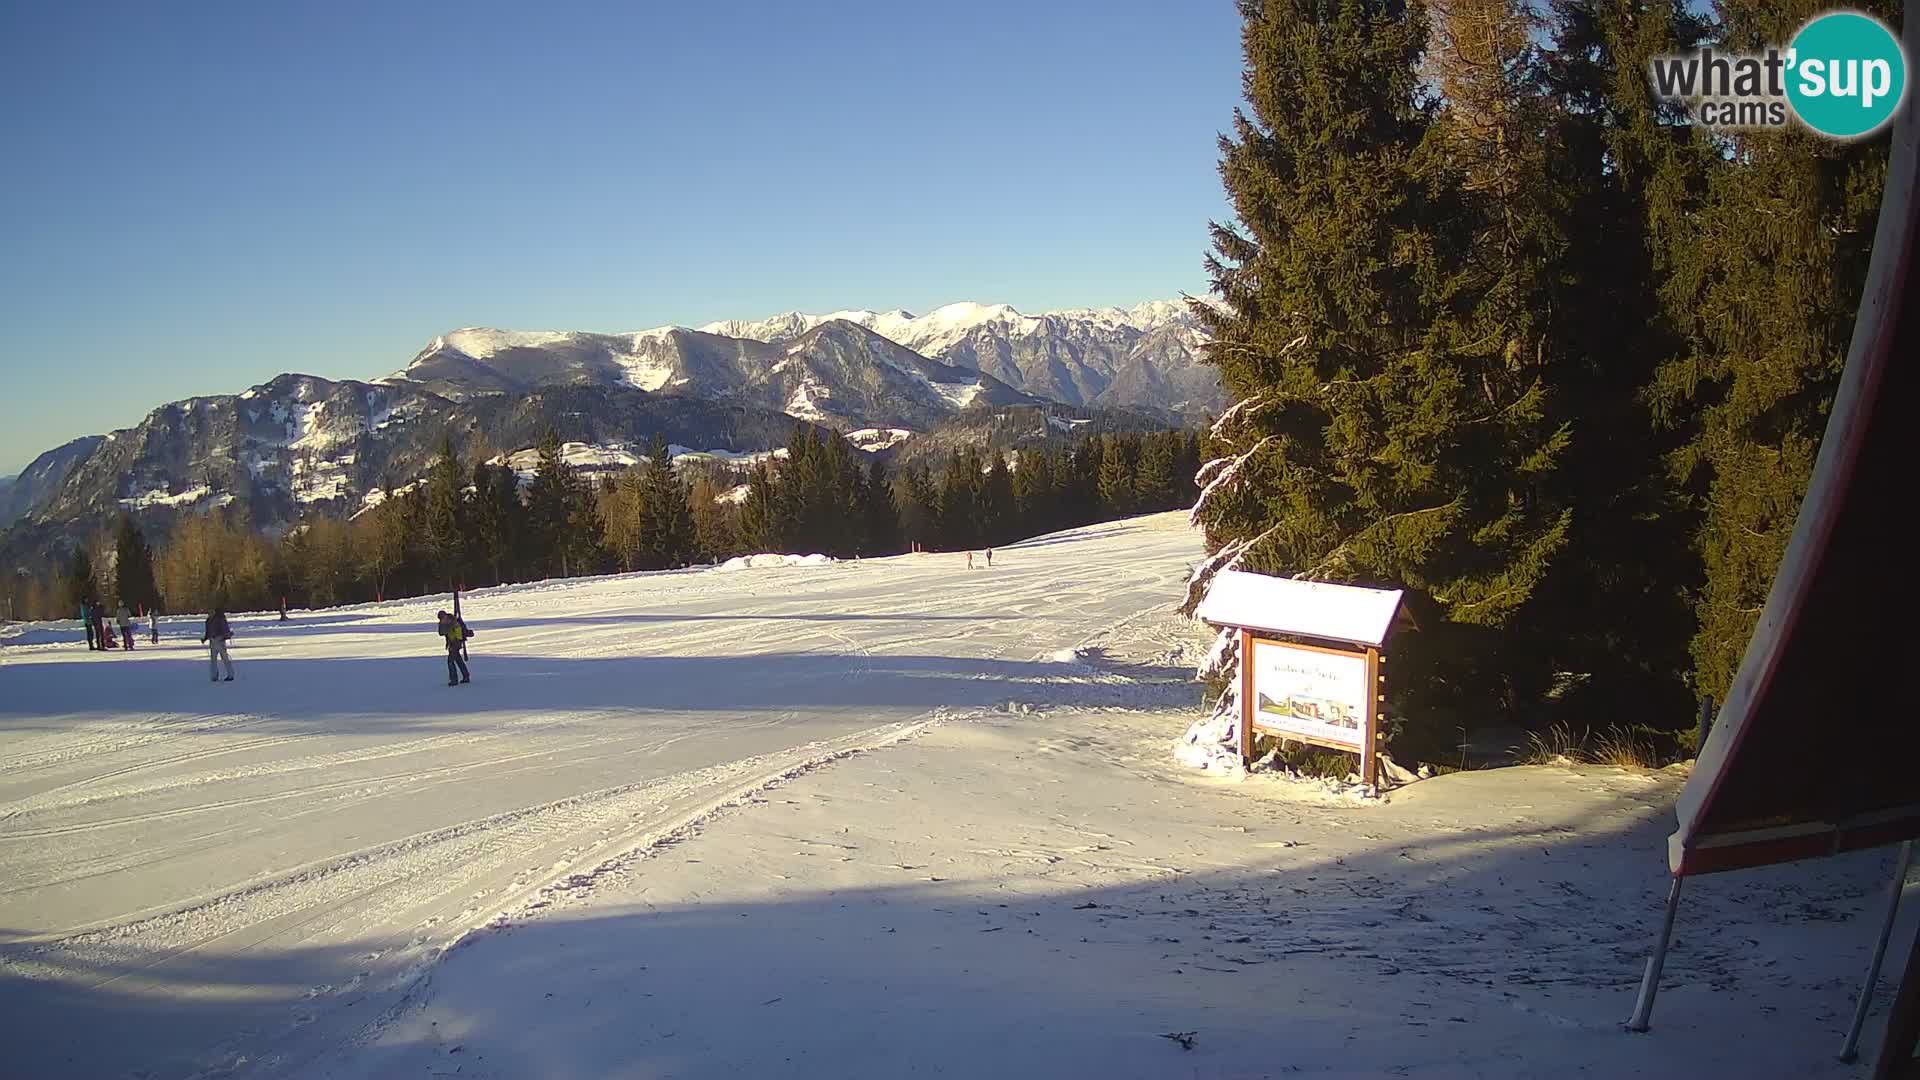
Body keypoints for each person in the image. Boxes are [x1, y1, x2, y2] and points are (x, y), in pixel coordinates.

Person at [437, 610, 473, 686]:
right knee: (458, 660)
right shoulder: (446, 622)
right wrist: (442, 624)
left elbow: (457, 633)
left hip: (456, 643)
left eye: (442, 618)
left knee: (450, 661)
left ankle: (454, 679)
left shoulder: (453, 622)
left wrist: (455, 643)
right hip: (452, 643)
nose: (442, 620)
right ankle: (466, 676)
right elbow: (441, 633)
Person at [202, 607, 235, 682]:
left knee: (225, 658)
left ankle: (230, 675)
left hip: (220, 641)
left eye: (211, 611)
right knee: (213, 660)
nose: (209, 613)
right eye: (208, 612)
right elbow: (208, 632)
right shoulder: (208, 621)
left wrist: (226, 636)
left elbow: (224, 629)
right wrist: (205, 638)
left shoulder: (219, 620)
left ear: (214, 612)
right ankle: (214, 676)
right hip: (212, 642)